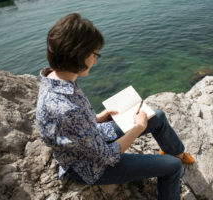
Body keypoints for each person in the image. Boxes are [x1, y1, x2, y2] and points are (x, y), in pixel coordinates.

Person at [36, 13, 195, 200]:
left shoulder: (53, 79)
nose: (95, 60)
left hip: (92, 138)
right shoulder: (66, 109)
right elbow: (107, 156)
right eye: (94, 54)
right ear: (78, 56)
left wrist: (96, 118)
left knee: (156, 116)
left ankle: (176, 152)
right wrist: (138, 128)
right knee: (172, 167)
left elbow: (69, 129)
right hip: (91, 167)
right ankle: (173, 163)